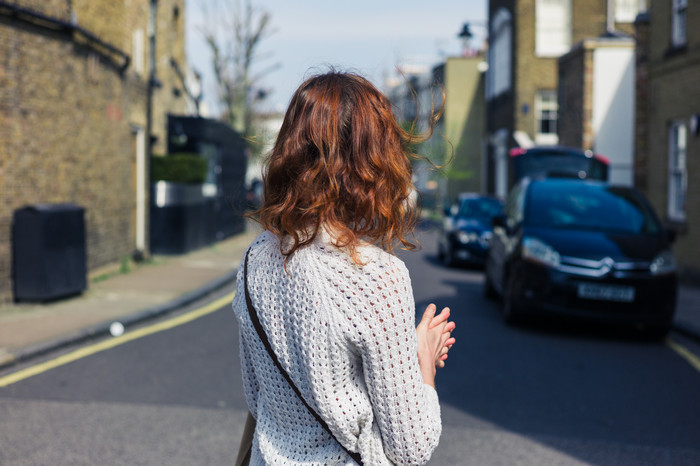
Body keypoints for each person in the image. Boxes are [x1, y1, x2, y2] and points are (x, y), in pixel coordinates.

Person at [232, 70, 455, 465]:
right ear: (371, 162)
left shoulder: (253, 259)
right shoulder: (378, 277)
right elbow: (411, 448)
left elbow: (257, 394)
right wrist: (422, 359)